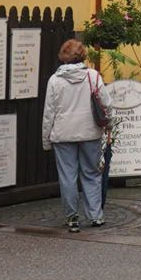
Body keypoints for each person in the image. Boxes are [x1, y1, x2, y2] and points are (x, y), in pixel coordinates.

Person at [40, 38, 108, 232]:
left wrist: (46, 139)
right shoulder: (93, 76)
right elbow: (106, 103)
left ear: (63, 56)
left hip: (63, 134)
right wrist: (107, 124)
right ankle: (96, 216)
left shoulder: (55, 80)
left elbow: (49, 113)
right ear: (83, 55)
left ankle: (72, 217)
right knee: (92, 174)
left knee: (67, 176)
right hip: (90, 132)